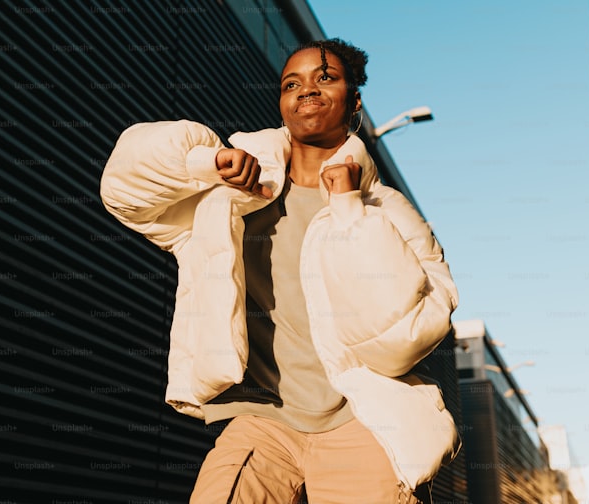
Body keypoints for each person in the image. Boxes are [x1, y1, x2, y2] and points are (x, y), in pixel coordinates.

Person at [101, 38, 460, 504]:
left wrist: (351, 211)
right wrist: (206, 163)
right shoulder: (229, 195)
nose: (306, 90)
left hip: (363, 422)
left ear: (354, 102)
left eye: (324, 78)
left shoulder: (388, 211)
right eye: (292, 83)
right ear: (282, 102)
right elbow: (123, 189)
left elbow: (411, 335)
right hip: (262, 419)